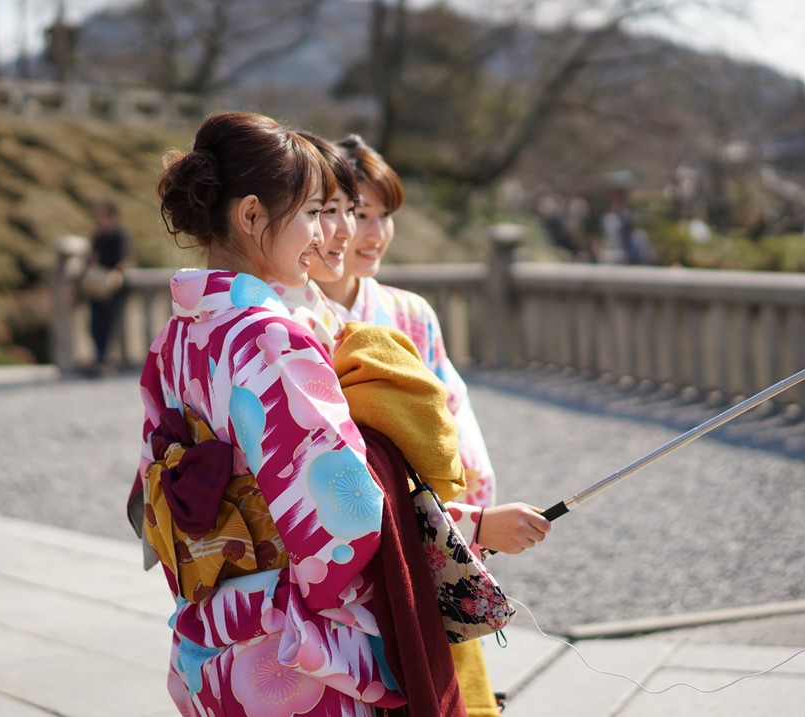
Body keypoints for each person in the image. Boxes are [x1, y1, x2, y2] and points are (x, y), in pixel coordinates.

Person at [134, 112, 464, 716]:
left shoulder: (176, 336)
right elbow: (347, 516)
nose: (323, 232)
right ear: (253, 216)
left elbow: (156, 496)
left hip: (213, 622)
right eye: (313, 212)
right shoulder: (269, 336)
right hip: (290, 642)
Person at [312, 135, 549, 716]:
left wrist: (470, 522)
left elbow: (455, 427)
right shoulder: (294, 321)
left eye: (381, 215)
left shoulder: (409, 313)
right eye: (353, 214)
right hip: (352, 541)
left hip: (428, 532)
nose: (369, 233)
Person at [83, 199, 131, 373]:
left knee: (109, 322)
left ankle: (107, 358)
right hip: (97, 285)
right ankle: (99, 356)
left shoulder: (120, 234)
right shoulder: (99, 235)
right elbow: (92, 258)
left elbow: (122, 258)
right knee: (96, 323)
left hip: (111, 285)